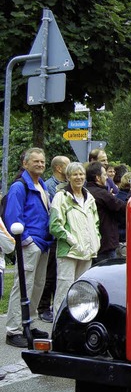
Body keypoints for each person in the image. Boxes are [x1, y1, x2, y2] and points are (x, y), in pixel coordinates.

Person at [4, 147, 53, 348]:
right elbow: (12, 216)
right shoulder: (19, 187)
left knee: (37, 285)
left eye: (42, 161)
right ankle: (14, 330)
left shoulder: (40, 184)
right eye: (36, 161)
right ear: (25, 164)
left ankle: (29, 323)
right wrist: (27, 240)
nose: (40, 164)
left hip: (43, 244)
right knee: (22, 286)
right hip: (30, 244)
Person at [49, 162, 101, 318]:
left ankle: (78, 323)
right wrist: (72, 241)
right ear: (68, 177)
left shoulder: (89, 197)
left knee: (82, 291)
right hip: (69, 252)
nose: (79, 177)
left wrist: (96, 242)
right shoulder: (61, 197)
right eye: (75, 174)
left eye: (81, 174)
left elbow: (96, 224)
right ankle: (59, 324)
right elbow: (55, 225)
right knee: (64, 290)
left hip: (87, 251)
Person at [38, 155, 71, 323]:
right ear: (59, 168)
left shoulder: (67, 186)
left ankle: (53, 307)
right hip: (52, 237)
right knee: (49, 275)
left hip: (62, 238)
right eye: (68, 165)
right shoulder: (50, 186)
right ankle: (43, 307)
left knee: (58, 275)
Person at [85, 161, 126, 265]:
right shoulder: (102, 194)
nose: (107, 178)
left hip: (93, 243)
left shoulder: (86, 191)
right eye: (104, 175)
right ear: (98, 178)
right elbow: (124, 207)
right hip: (106, 244)